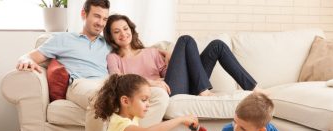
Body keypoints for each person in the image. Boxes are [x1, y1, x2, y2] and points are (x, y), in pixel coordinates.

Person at [15, 0, 170, 131]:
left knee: (159, 95)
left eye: (104, 18)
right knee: (100, 97)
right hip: (81, 84)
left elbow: (133, 48)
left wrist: (162, 52)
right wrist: (25, 60)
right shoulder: (62, 39)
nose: (101, 22)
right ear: (83, 14)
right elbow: (30, 55)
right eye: (97, 16)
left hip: (112, 84)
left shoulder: (108, 44)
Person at [103, 14, 259, 96]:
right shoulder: (113, 57)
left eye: (125, 28)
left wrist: (171, 60)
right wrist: (150, 83)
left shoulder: (151, 52)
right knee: (185, 39)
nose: (123, 34)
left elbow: (168, 74)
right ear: (111, 37)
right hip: (168, 91)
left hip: (179, 85)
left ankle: (254, 88)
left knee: (217, 45)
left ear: (131, 29)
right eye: (117, 31)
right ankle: (203, 90)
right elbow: (116, 79)